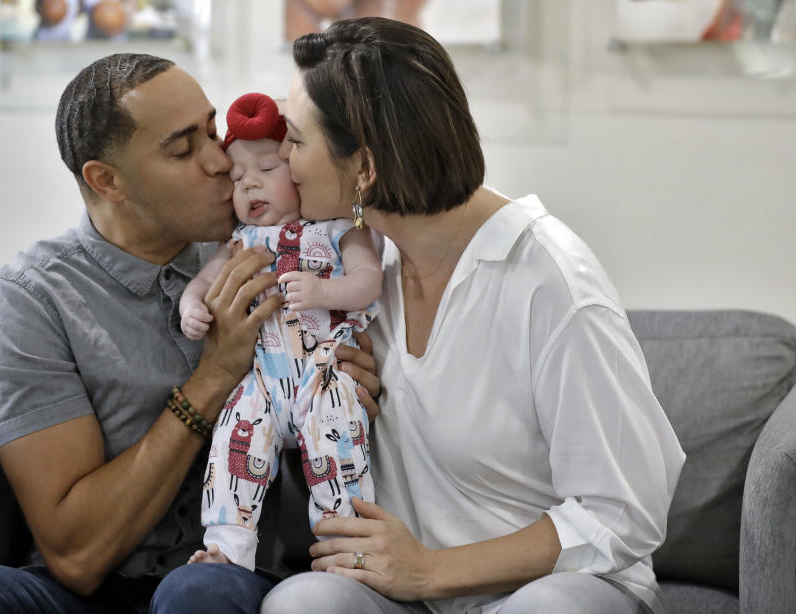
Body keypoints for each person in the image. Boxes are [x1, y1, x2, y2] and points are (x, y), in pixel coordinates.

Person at [0, 53, 382, 614]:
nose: (221, 164)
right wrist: (215, 374)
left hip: (225, 576)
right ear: (107, 181)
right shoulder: (30, 302)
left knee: (196, 592)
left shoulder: (273, 249)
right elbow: (76, 557)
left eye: (211, 131)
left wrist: (339, 387)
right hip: (89, 591)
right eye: (182, 149)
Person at [260, 17, 686, 614]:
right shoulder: (356, 272)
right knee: (302, 603)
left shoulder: (551, 284)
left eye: (296, 140)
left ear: (365, 169)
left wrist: (431, 572)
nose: (281, 157)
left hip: (554, 592)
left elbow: (623, 512)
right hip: (412, 598)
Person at [180, 92, 381, 571]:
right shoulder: (239, 241)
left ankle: (344, 538)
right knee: (234, 435)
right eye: (236, 178)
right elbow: (202, 283)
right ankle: (227, 545)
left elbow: (369, 280)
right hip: (264, 381)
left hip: (324, 369)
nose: (249, 184)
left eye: (267, 169)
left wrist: (323, 293)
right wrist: (192, 306)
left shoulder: (337, 228)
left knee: (337, 437)